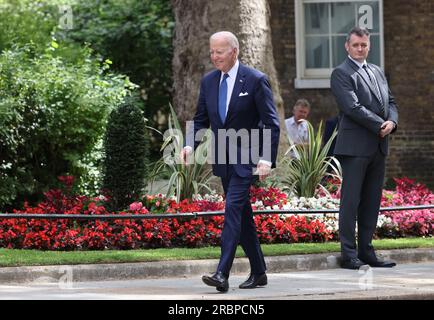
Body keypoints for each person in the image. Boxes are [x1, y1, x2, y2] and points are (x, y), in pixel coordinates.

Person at [180, 31, 280, 291]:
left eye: (219, 52)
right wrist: (190, 144)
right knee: (243, 215)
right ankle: (259, 272)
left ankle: (222, 273)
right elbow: (201, 118)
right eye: (212, 51)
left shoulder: (256, 80)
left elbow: (271, 122)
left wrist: (266, 159)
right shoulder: (209, 81)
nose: (214, 56)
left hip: (247, 159)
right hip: (223, 158)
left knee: (232, 210)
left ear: (234, 51)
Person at [330, 27, 398, 270]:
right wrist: (380, 124)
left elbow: (390, 101)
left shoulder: (377, 71)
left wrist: (392, 122)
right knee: (351, 201)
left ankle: (367, 251)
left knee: (371, 201)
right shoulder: (341, 73)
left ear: (369, 46)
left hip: (379, 146)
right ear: (347, 46)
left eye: (364, 45)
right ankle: (349, 254)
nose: (360, 49)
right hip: (355, 147)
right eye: (356, 45)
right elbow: (352, 107)